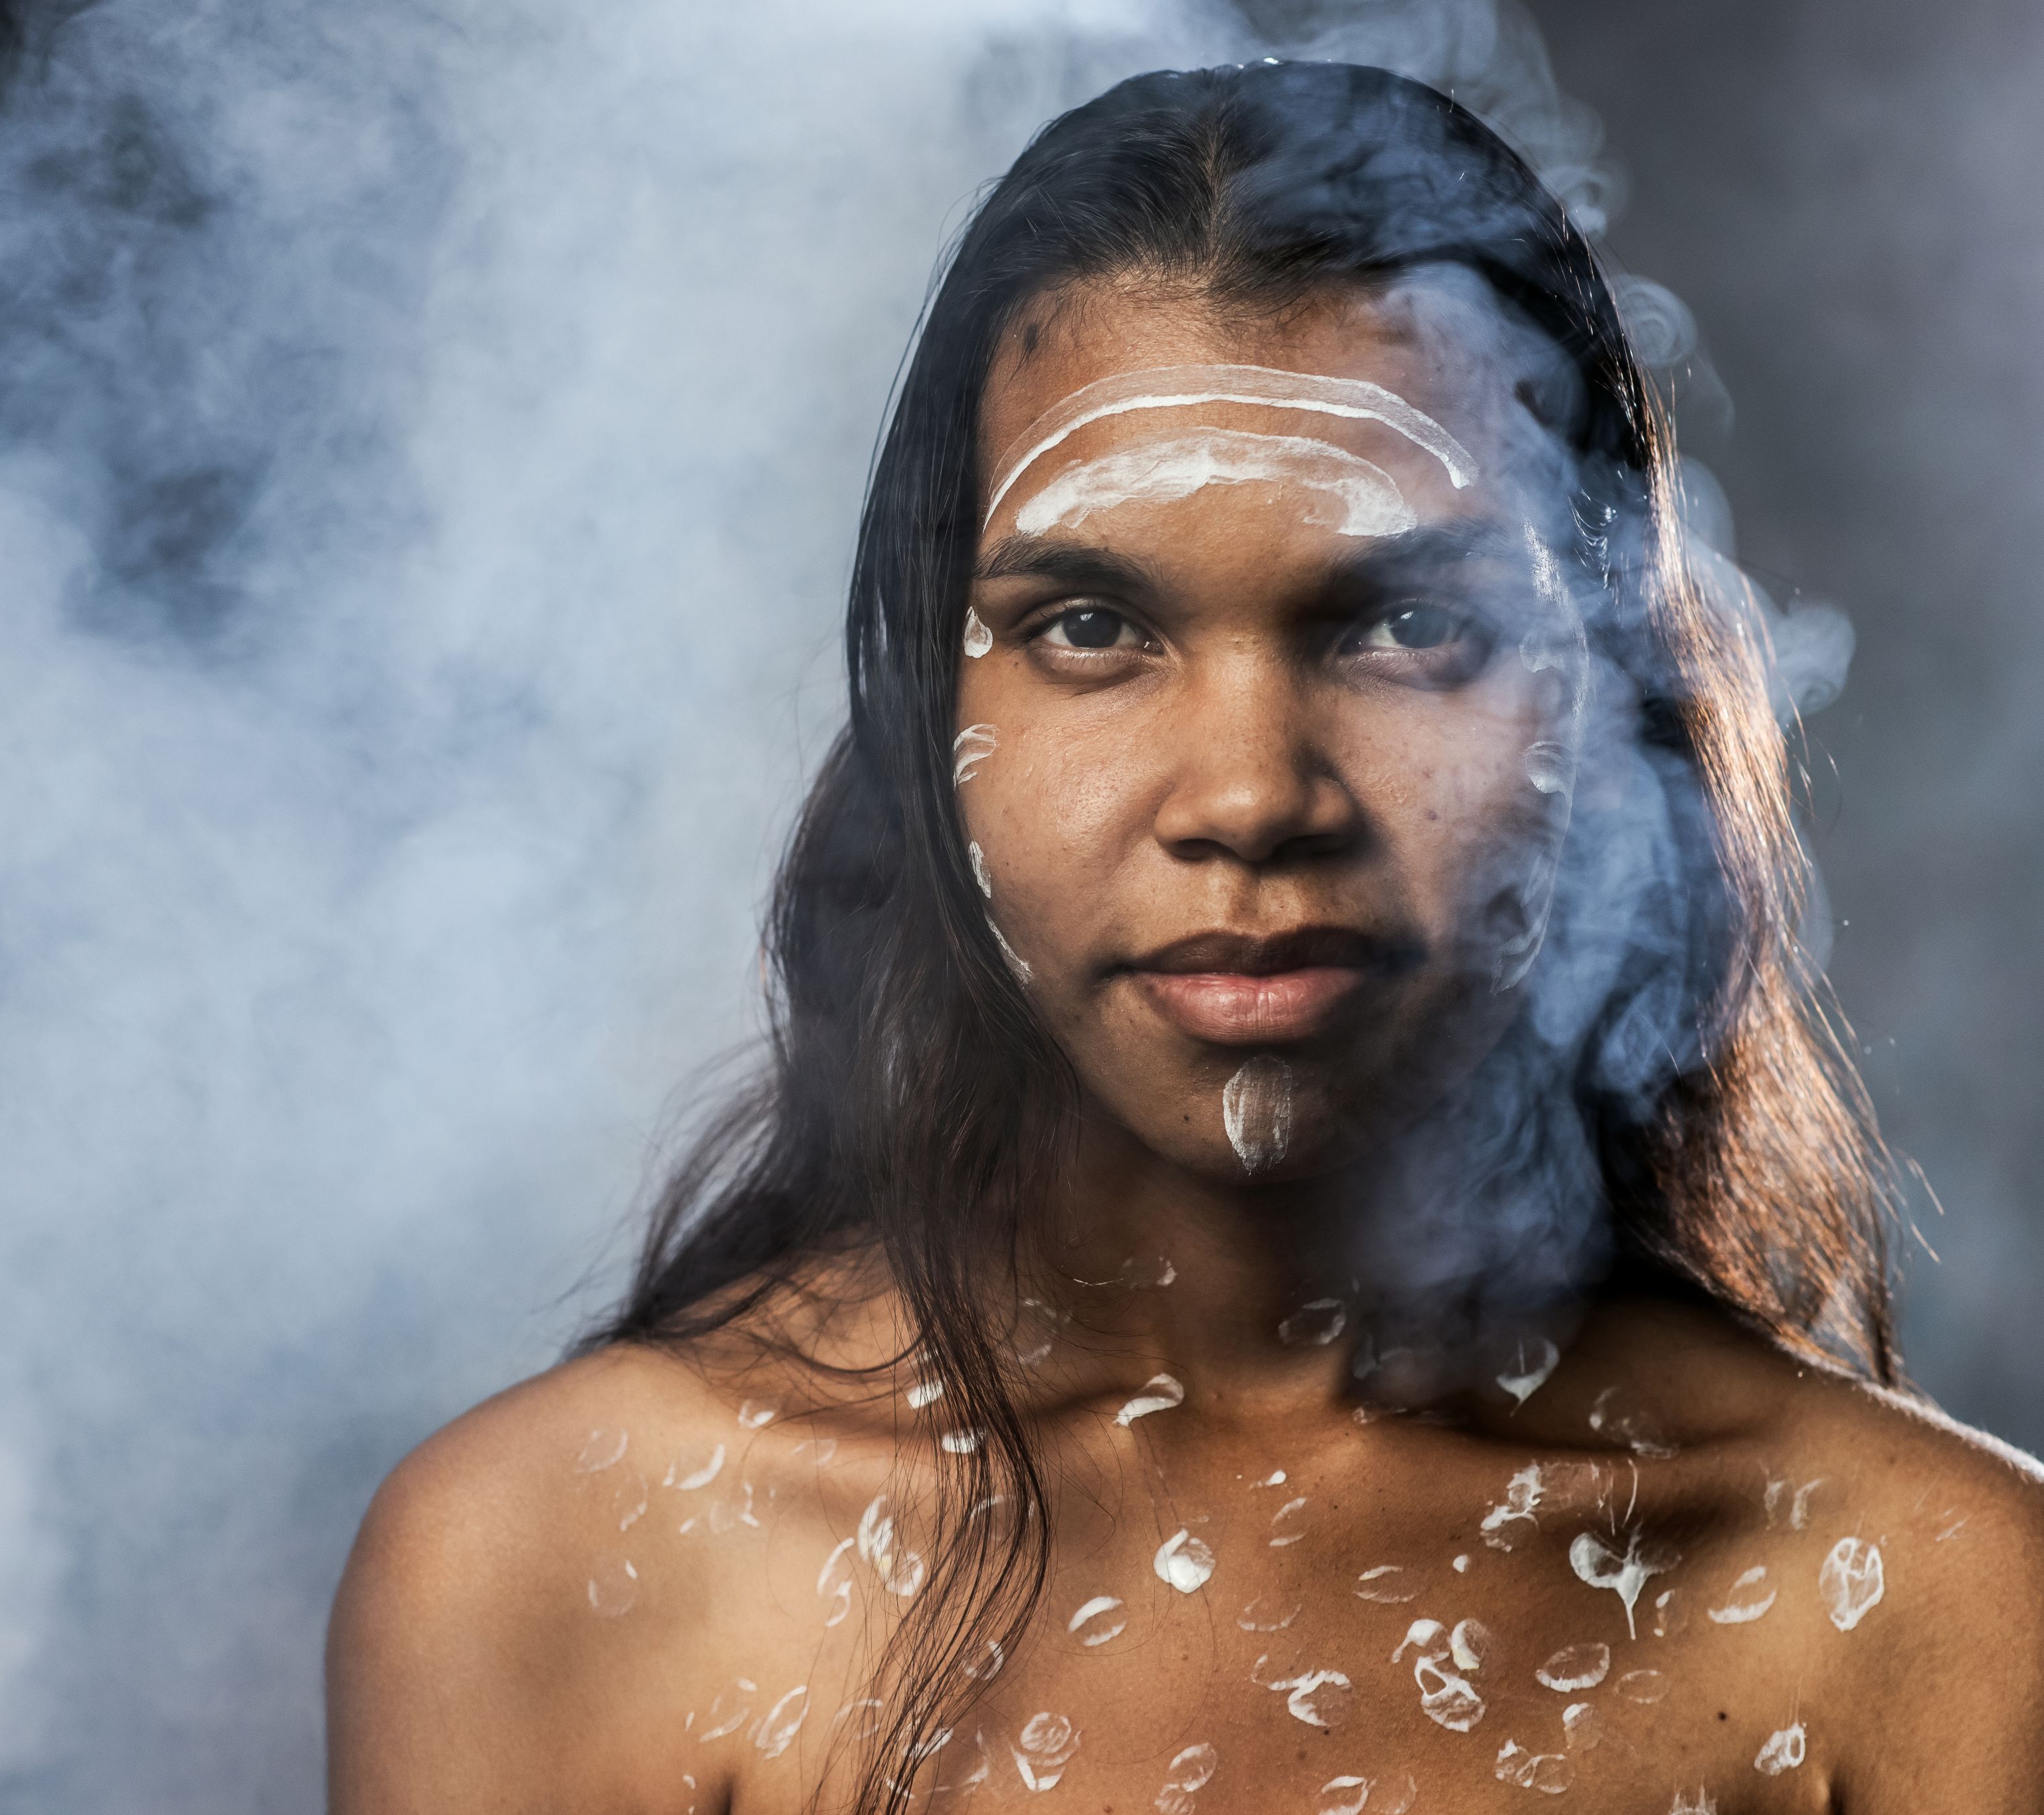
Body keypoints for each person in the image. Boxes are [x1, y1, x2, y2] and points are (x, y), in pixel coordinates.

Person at [326, 60, 2044, 1814]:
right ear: (931, 713)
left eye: (1407, 627)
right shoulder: (568, 1571)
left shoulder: (1932, 1604)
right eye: (1089, 624)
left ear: (1607, 695)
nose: (1247, 792)